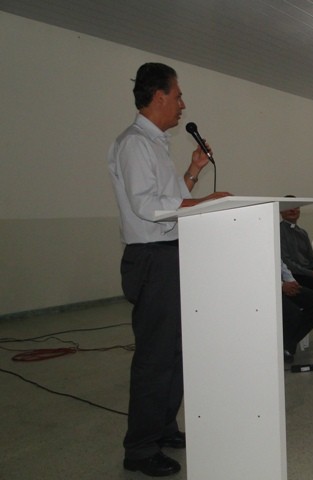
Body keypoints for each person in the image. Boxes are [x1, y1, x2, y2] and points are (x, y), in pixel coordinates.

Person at [108, 63, 231, 477]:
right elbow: (147, 207)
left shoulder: (155, 144)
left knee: (176, 350)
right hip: (151, 259)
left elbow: (172, 198)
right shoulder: (133, 144)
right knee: (155, 357)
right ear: (158, 96)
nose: (182, 104)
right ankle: (140, 449)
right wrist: (207, 203)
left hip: (170, 254)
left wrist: (193, 171)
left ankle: (163, 427)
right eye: (178, 95)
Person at [280, 200, 313, 316]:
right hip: (295, 275)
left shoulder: (302, 232)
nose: (292, 210)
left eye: (296, 207)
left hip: (309, 273)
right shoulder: (279, 231)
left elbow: (311, 257)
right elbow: (286, 262)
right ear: (281, 211)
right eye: (289, 207)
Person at [281, 260, 313, 363]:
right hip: (268, 289)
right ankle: (285, 347)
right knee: (293, 313)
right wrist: (281, 286)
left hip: (285, 284)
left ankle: (287, 344)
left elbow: (281, 266)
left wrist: (291, 281)